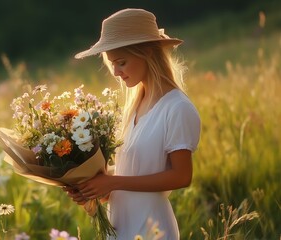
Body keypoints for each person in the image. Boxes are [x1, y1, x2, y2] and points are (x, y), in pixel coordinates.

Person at [64, 8, 201, 240]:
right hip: (120, 226)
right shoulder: (134, 106)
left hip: (151, 227)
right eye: (112, 64)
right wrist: (92, 187)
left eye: (122, 63)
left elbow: (181, 176)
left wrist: (112, 181)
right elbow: (132, 174)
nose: (116, 72)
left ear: (147, 53)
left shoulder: (177, 107)